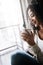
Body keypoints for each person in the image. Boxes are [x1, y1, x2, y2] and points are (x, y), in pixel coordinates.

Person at [21, 0, 43, 64]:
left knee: (16, 56)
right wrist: (29, 42)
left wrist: (33, 44)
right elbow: (32, 53)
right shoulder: (34, 32)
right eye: (29, 17)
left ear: (40, 13)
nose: (31, 20)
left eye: (32, 15)